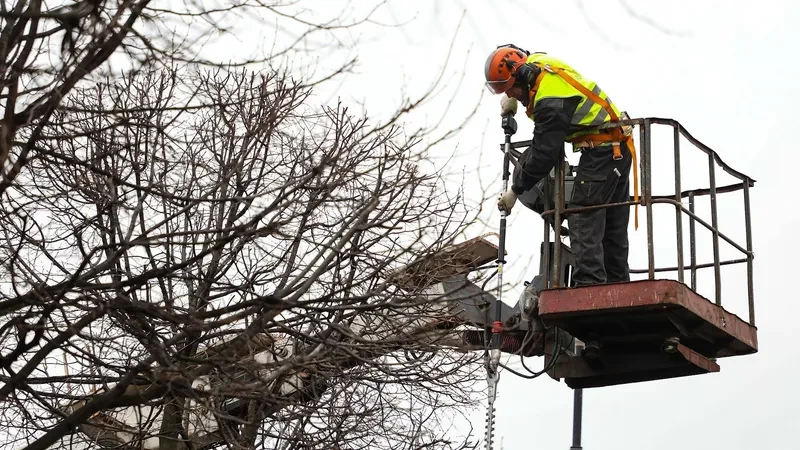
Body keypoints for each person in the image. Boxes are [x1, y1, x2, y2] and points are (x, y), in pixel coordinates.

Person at [484, 44, 637, 287]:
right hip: (617, 148)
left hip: (603, 152)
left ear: (522, 76)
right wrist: (508, 96)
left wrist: (516, 189)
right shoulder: (541, 64)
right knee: (611, 226)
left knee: (582, 214)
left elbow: (545, 153)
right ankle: (618, 287)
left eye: (511, 90)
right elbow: (524, 56)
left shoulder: (550, 100)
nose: (512, 95)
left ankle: (589, 287)